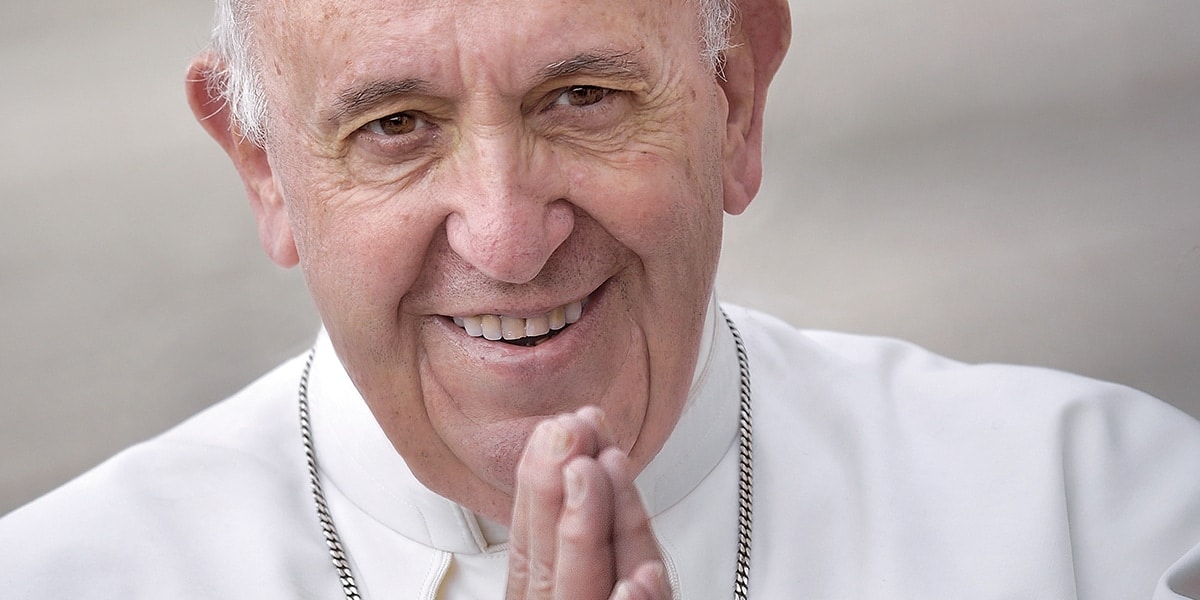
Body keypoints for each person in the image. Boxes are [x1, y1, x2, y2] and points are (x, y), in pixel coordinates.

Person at [2, 0, 1200, 596]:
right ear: (263, 167)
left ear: (737, 95)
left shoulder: (1100, 523)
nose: (510, 239)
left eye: (582, 97)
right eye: (396, 128)